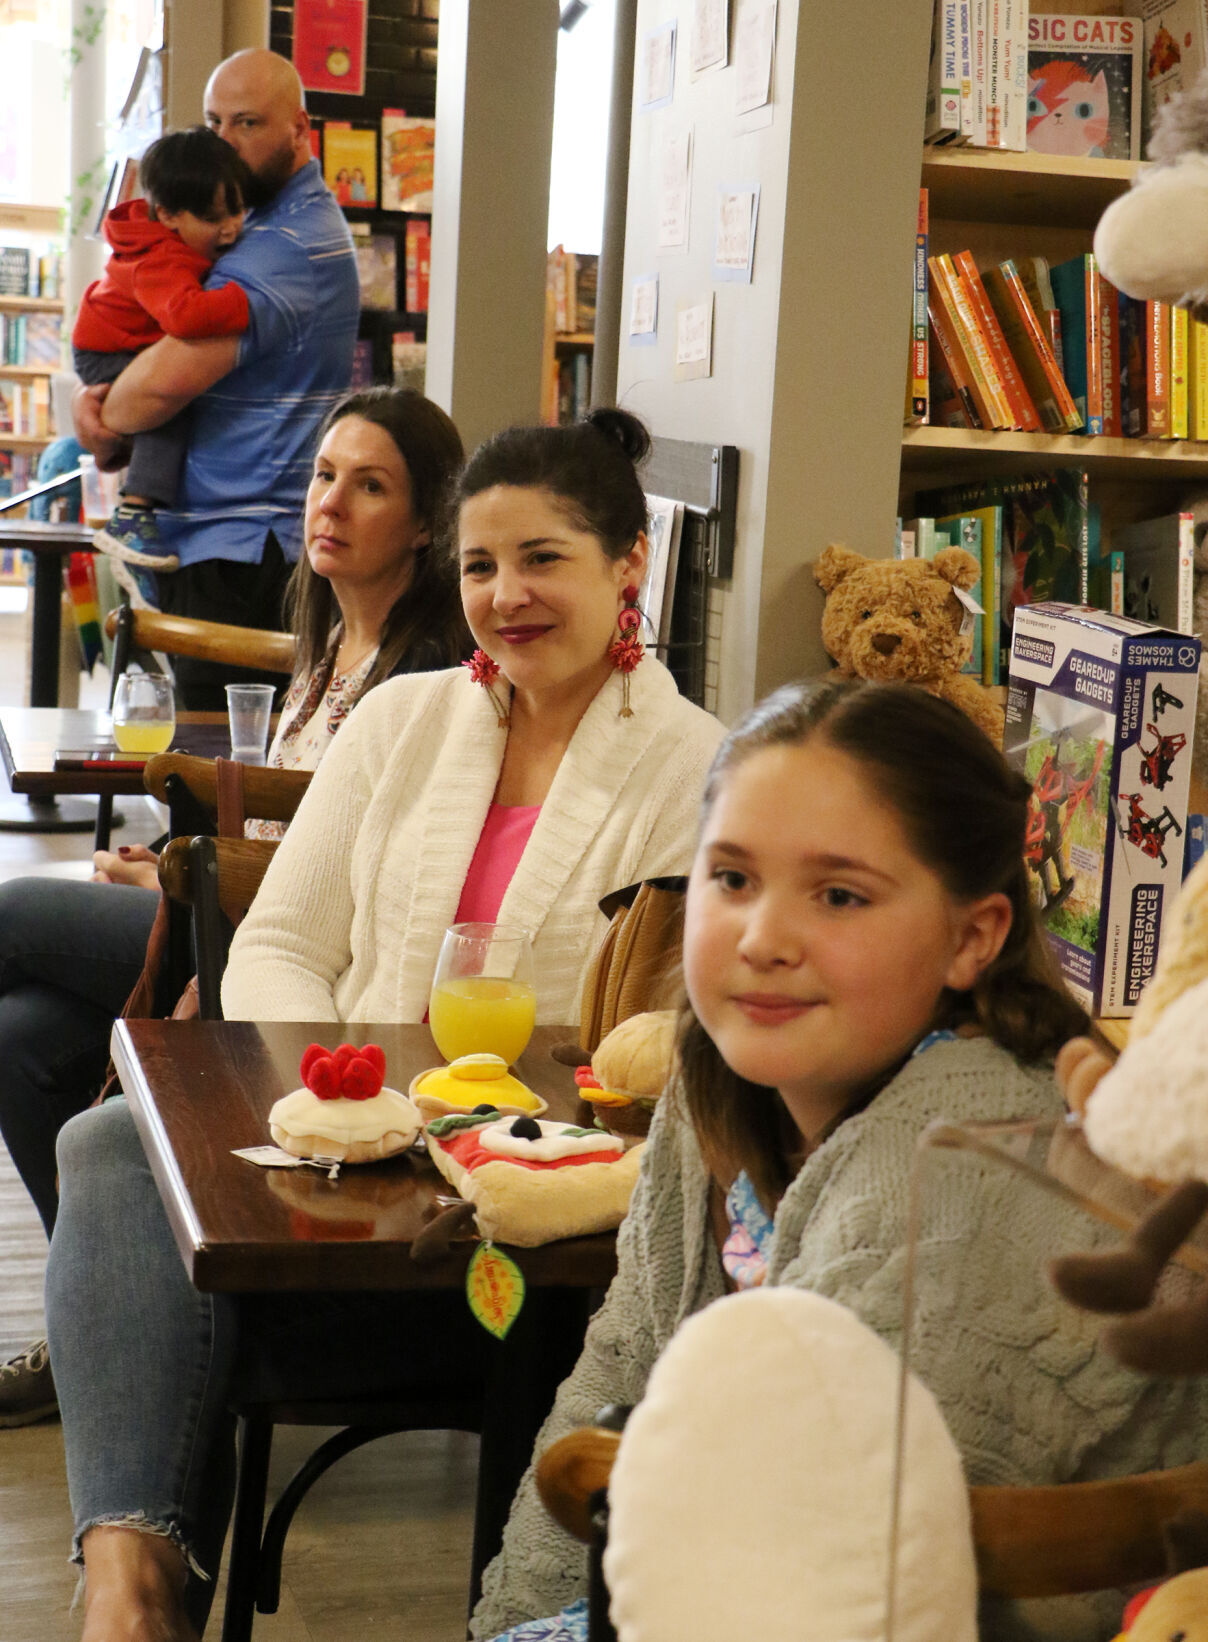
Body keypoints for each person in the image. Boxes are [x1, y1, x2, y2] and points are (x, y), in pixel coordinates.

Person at [44, 408, 725, 1642]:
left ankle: (137, 1595)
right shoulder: (401, 720)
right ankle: (129, 1582)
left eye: (543, 560)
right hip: (325, 1164)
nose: (505, 594)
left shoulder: (695, 768)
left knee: (107, 1154)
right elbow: (283, 941)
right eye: (477, 565)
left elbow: (646, 1040)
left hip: (511, 1232)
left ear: (628, 563)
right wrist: (335, 1098)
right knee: (106, 1147)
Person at [469, 679, 1208, 1642]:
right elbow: (617, 1370)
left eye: (839, 895)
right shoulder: (715, 1080)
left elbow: (830, 1590)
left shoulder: (966, 1171)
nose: (762, 940)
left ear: (974, 936)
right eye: (731, 879)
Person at [0, 387, 465, 1428]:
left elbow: (355, 874)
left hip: (275, 956)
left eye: (371, 485)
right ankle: (107, 1328)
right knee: (20, 1040)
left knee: (16, 912)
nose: (331, 501)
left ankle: (147, 1334)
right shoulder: (330, 641)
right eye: (324, 475)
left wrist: (185, 874)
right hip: (227, 909)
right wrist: (171, 859)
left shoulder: (424, 677)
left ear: (428, 524)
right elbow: (283, 821)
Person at [74, 48, 360, 709]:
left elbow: (157, 388)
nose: (224, 142)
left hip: (248, 551)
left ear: (300, 129)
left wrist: (98, 414)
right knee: (214, 784)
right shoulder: (254, 222)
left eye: (247, 123)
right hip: (232, 543)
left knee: (220, 785)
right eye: (213, 122)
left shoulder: (283, 246)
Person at [72, 127, 253, 601]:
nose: (232, 226)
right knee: (168, 405)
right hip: (107, 350)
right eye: (213, 216)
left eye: (238, 209)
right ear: (169, 214)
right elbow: (187, 315)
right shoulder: (160, 258)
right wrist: (244, 302)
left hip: (117, 341)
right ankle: (133, 513)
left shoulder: (169, 244)